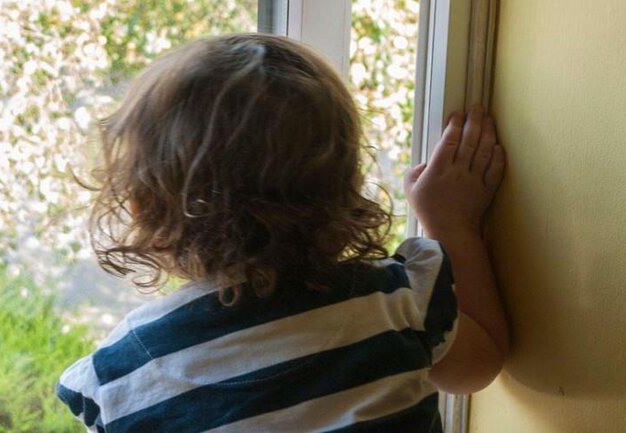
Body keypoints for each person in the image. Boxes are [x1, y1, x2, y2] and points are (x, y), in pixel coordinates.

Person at [56, 33, 509, 433]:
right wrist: (452, 223)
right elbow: (479, 364)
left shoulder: (122, 378)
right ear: (344, 188)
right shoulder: (393, 304)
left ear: (144, 208)